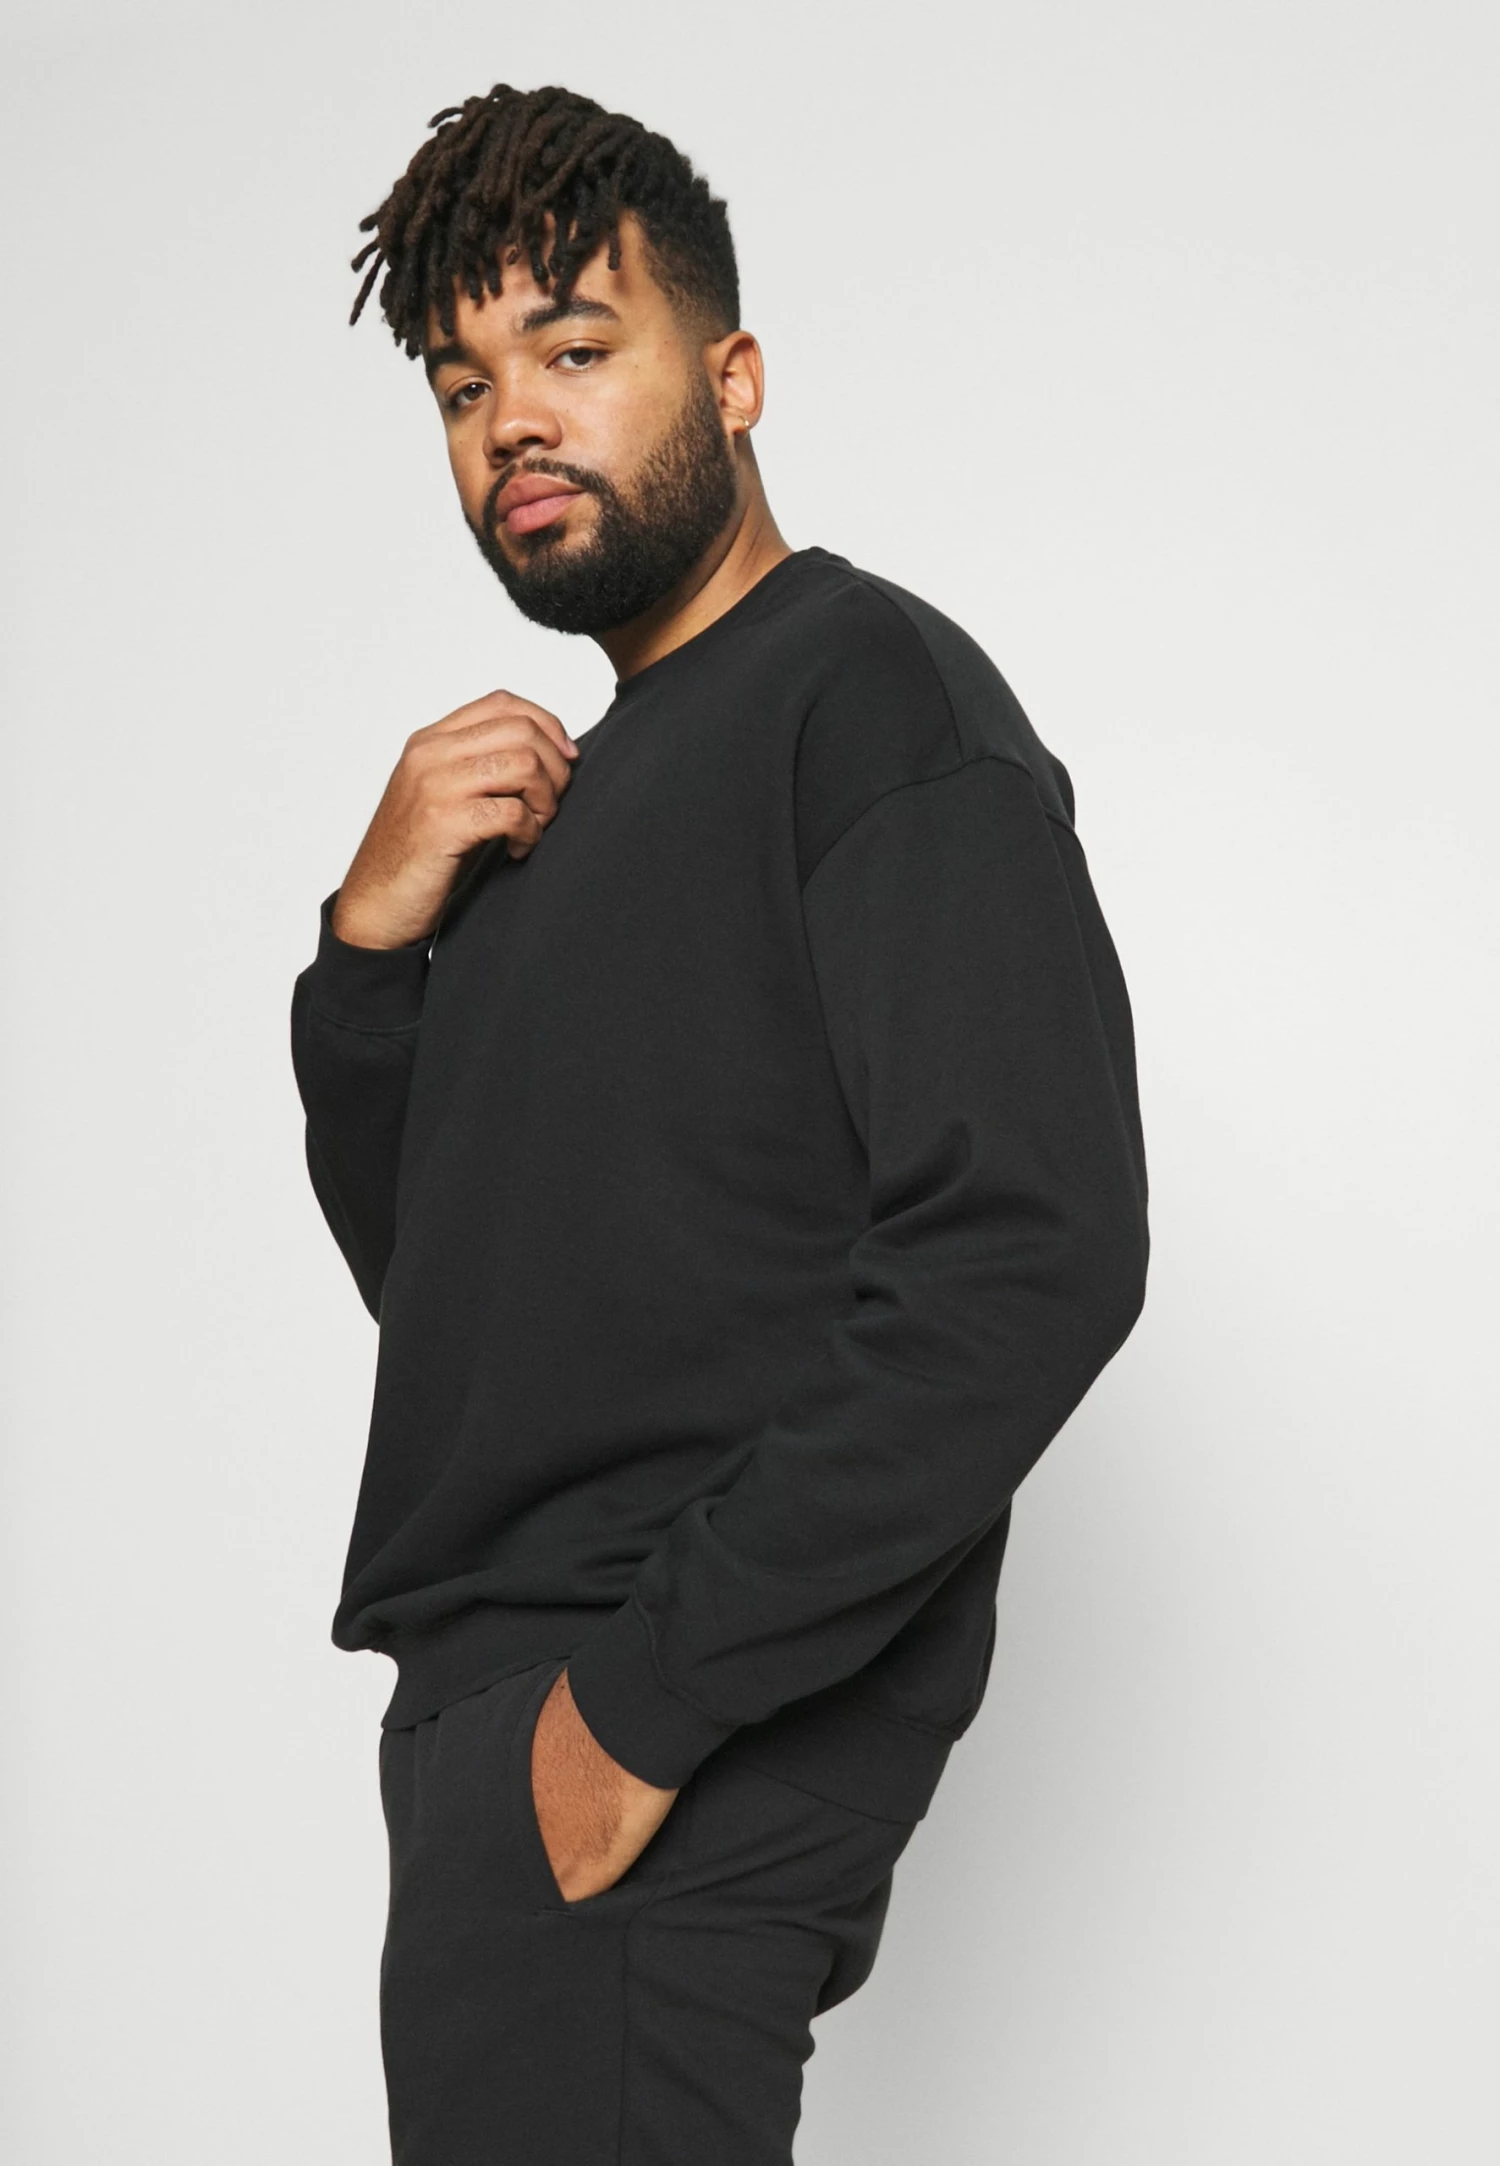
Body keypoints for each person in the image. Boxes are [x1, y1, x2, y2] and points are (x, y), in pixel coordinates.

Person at [289, 79, 1150, 2166]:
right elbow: (467, 1292)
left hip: (642, 1737)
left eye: (576, 347)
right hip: (499, 1739)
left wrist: (637, 1716)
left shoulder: (866, 696)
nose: (514, 421)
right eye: (463, 385)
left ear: (734, 376)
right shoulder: (554, 819)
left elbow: (1029, 1250)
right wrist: (369, 955)